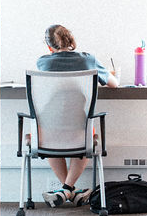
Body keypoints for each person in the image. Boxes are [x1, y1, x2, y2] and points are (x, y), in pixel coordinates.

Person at [35, 24, 118, 206]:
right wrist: (111, 74)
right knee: (88, 134)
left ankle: (65, 191)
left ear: (49, 46)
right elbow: (114, 84)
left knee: (47, 133)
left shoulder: (43, 62)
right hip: (80, 132)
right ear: (71, 40)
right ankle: (69, 191)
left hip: (49, 133)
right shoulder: (89, 60)